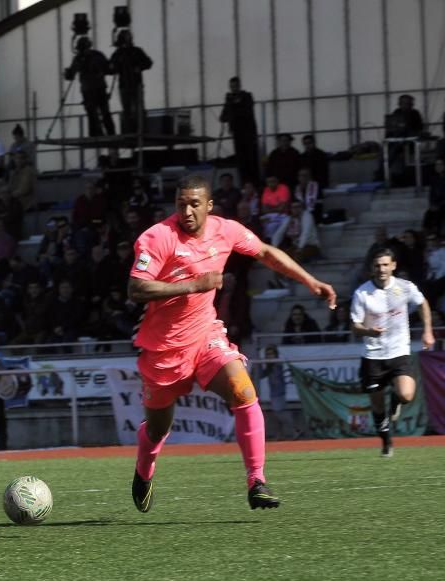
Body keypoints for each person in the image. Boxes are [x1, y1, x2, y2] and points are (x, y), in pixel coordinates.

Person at [127, 174, 336, 513]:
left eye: (195, 204)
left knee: (243, 390)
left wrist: (311, 281)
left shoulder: (226, 230)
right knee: (157, 428)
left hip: (206, 335)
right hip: (164, 348)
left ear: (209, 205)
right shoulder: (158, 237)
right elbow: (136, 289)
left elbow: (266, 253)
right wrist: (195, 285)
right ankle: (144, 470)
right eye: (181, 204)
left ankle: (257, 481)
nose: (188, 211)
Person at [350, 248, 434, 458]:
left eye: (386, 265)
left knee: (406, 394)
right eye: (378, 265)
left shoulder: (405, 287)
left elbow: (423, 303)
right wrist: (369, 331)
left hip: (399, 351)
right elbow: (354, 325)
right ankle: (386, 442)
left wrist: (427, 331)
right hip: (373, 355)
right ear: (372, 268)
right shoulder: (362, 293)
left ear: (393, 265)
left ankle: (396, 401)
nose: (382, 269)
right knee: (377, 404)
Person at [63, 37, 114, 137]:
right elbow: (109, 69)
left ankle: (103, 133)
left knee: (100, 112)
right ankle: (101, 133)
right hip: (92, 89)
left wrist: (104, 70)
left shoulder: (87, 57)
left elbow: (109, 69)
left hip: (94, 89)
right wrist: (68, 73)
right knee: (96, 112)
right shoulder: (92, 56)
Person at [108, 29, 153, 134]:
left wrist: (139, 67)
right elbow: (111, 69)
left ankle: (141, 130)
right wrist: (112, 67)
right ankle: (130, 131)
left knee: (138, 109)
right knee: (128, 109)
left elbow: (148, 63)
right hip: (125, 85)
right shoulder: (119, 53)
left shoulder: (136, 51)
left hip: (135, 84)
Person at [220, 77, 260, 185]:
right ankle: (245, 184)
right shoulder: (230, 99)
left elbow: (246, 112)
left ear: (239, 86)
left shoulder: (247, 96)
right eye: (232, 87)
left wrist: (233, 106)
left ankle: (254, 184)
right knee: (242, 161)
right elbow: (223, 116)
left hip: (249, 134)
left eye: (235, 86)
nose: (234, 89)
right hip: (238, 135)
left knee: (251, 160)